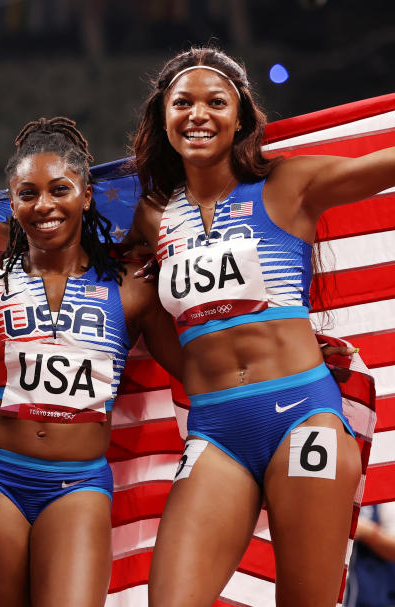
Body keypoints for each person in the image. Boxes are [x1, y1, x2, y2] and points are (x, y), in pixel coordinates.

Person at [127, 47, 395, 606]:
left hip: (304, 420)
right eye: (183, 103)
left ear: (242, 118)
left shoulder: (287, 186)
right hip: (217, 431)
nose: (198, 114)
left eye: (215, 102)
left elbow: (381, 165)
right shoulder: (154, 216)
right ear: (163, 118)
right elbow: (99, 283)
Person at [0, 117, 183, 606]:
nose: (44, 205)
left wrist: (292, 355)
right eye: (27, 194)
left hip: (77, 485)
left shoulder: (132, 290)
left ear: (86, 196)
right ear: (11, 204)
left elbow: (198, 369)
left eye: (60, 190)